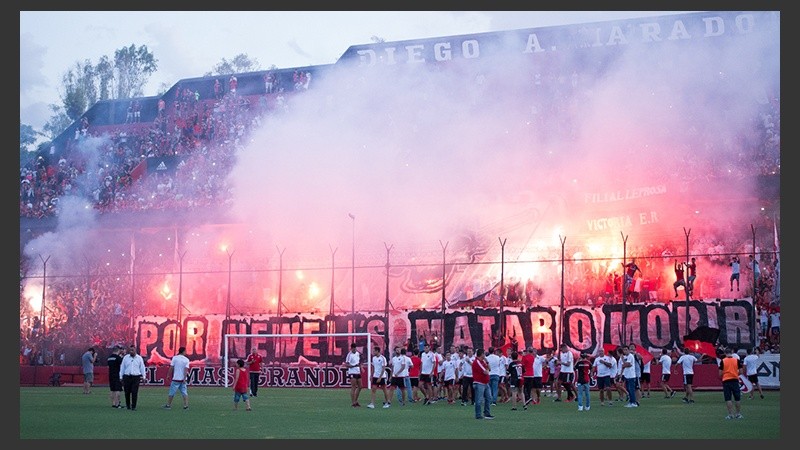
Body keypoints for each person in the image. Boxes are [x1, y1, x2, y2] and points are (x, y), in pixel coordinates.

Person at [719, 347, 744, 419]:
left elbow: (720, 374)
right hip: (735, 380)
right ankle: (738, 414)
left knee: (728, 398)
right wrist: (735, 374)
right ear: (731, 353)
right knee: (737, 398)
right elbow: (741, 371)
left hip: (726, 380)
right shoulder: (736, 360)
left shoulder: (723, 361)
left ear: (725, 353)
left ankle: (730, 414)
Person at [120, 344, 146, 410]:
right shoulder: (126, 358)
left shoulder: (139, 358)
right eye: (130, 350)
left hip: (136, 377)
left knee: (134, 392)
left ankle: (134, 406)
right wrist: (121, 376)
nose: (131, 351)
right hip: (127, 376)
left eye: (132, 350)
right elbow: (122, 367)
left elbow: (142, 368)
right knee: (127, 392)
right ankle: (128, 405)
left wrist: (144, 376)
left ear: (135, 350)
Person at [471, 348, 494, 419]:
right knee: (479, 399)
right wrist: (487, 368)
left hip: (485, 382)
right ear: (481, 354)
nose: (485, 355)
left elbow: (489, 369)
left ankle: (486, 413)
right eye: (484, 353)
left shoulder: (483, 361)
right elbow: (486, 372)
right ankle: (478, 414)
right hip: (479, 383)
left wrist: (487, 362)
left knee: (488, 398)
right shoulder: (477, 362)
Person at [344, 342, 363, 407]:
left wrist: (361, 368)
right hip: (352, 372)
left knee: (360, 386)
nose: (354, 350)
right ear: (351, 348)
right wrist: (352, 366)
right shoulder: (349, 355)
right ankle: (353, 402)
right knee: (354, 387)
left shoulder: (357, 353)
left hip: (358, 372)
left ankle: (356, 400)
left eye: (355, 348)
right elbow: (346, 364)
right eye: (353, 349)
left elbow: (359, 362)